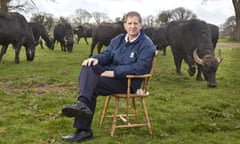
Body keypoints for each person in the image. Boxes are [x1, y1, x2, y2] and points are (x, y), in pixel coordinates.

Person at [61, 11, 156, 142]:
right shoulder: (118, 40)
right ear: (124, 25)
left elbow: (140, 67)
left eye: (136, 23)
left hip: (128, 83)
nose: (132, 26)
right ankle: (82, 105)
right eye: (129, 23)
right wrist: (95, 58)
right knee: (88, 66)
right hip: (112, 77)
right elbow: (106, 55)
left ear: (141, 25)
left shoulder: (146, 44)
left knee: (91, 85)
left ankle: (83, 129)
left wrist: (114, 72)